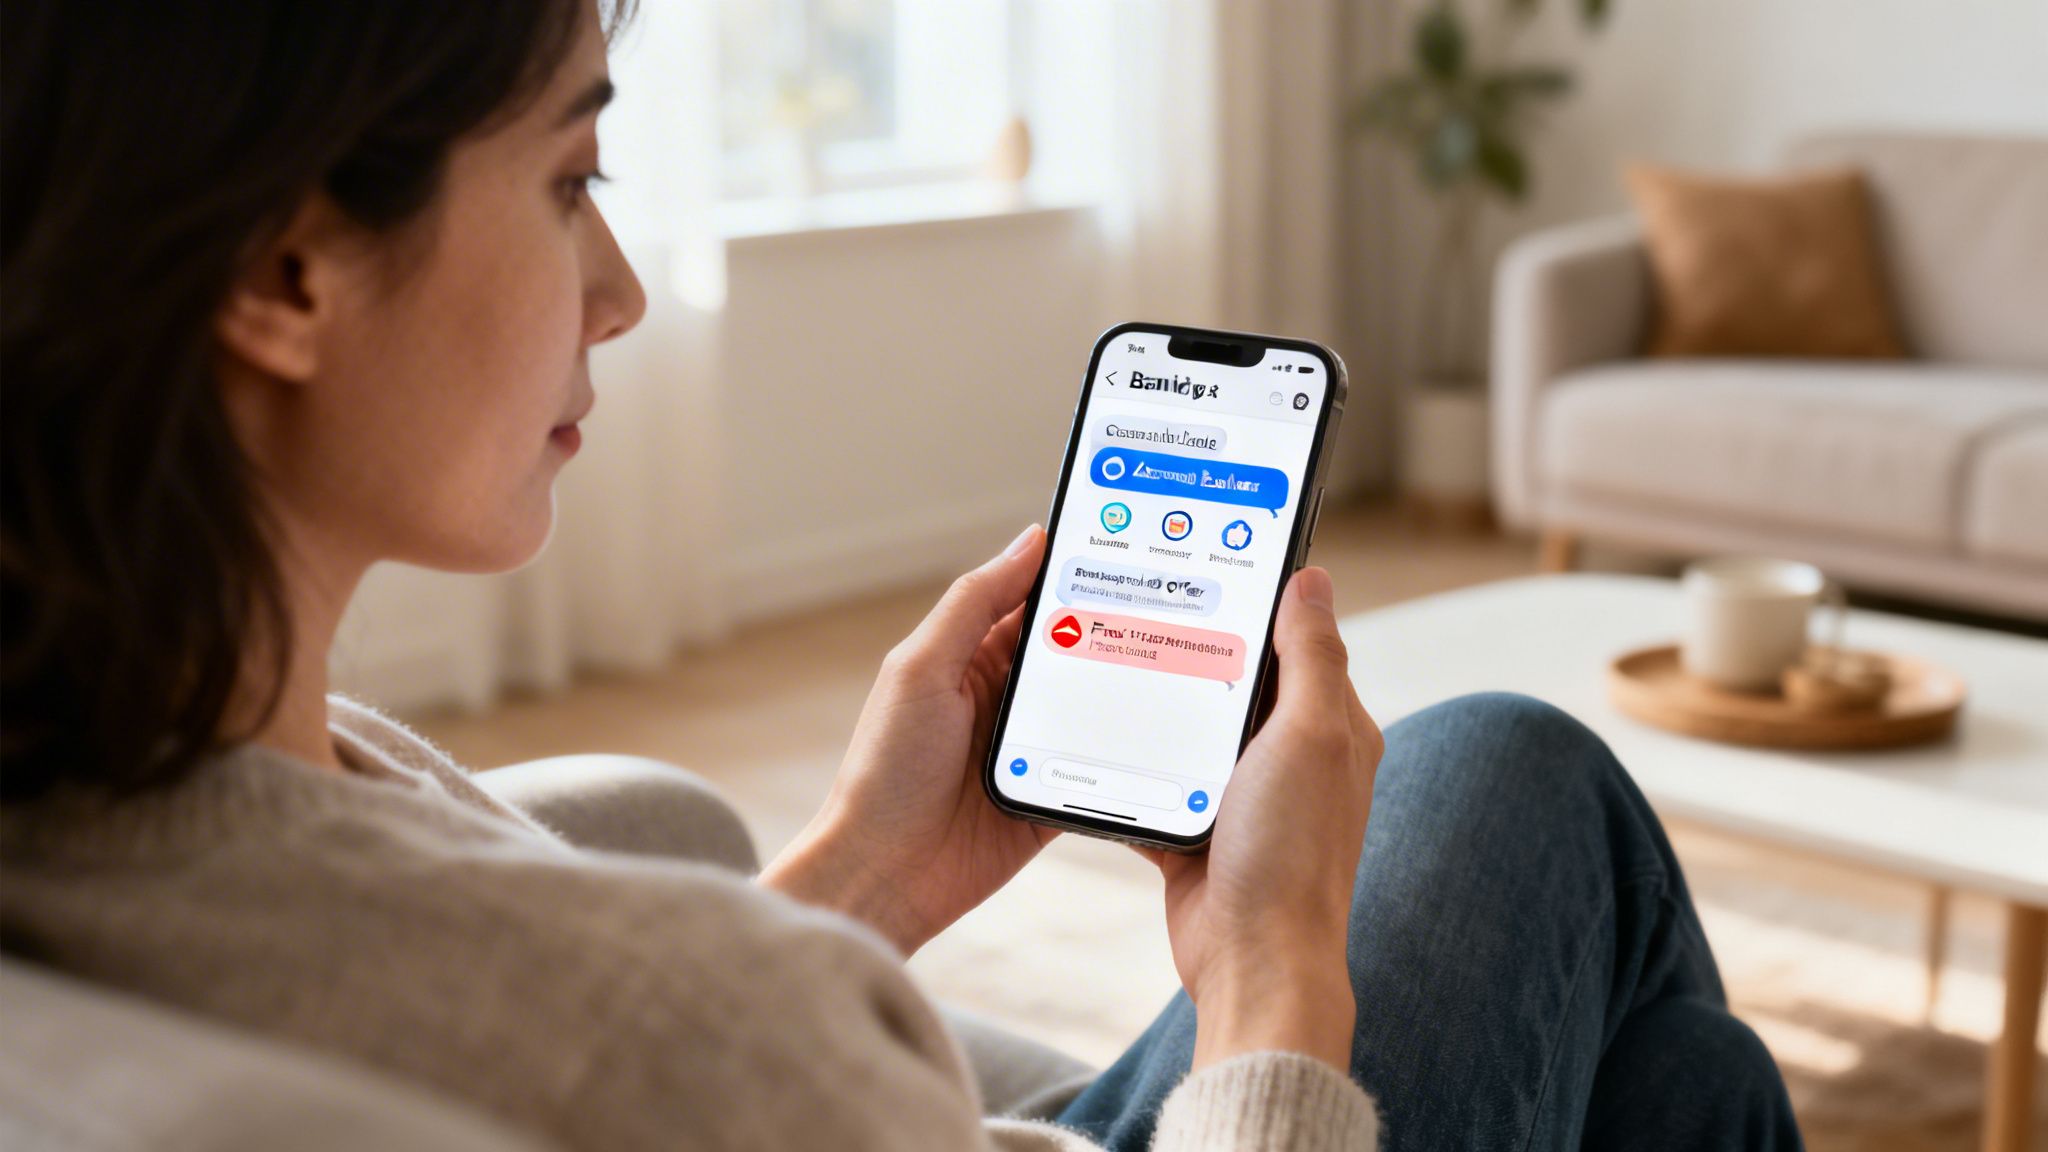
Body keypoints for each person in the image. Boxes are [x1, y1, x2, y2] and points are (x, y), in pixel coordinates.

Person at [0, 1, 1802, 1148]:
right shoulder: (689, 1043)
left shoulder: (106, 788)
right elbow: (675, 1063)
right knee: (1515, 775)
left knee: (1679, 1092)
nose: (618, 287)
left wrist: (865, 861)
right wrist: (1273, 978)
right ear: (286, 272)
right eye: (571, 177)